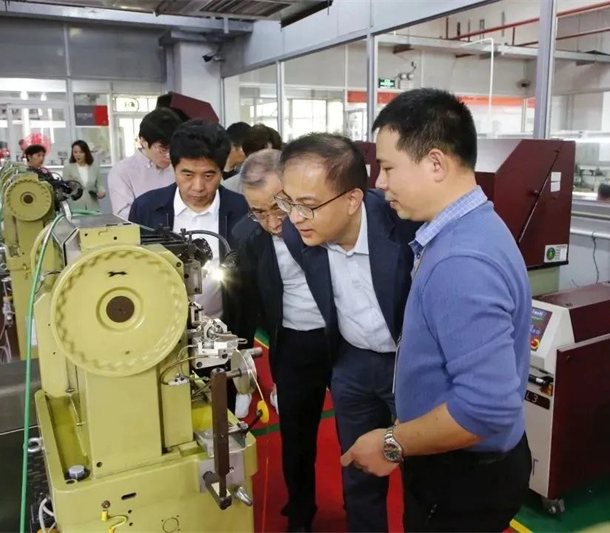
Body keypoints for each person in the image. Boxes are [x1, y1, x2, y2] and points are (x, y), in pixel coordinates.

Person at [340, 88, 533, 533]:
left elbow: (485, 409)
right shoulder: (474, 228)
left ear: (435, 164)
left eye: (388, 167)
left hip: (461, 479)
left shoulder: (460, 261)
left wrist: (390, 443)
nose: (380, 183)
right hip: (467, 464)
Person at [276, 133, 419, 533]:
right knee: (357, 467)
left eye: (308, 205)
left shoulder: (403, 226)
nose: (295, 217)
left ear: (353, 199)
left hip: (408, 365)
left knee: (422, 471)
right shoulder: (298, 233)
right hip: (351, 363)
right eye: (288, 202)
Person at [232, 149, 329, 533]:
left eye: (278, 208)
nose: (272, 222)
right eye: (259, 212)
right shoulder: (248, 236)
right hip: (292, 344)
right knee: (296, 436)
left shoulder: (326, 220)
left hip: (345, 340)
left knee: (357, 433)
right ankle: (301, 512)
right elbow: (244, 300)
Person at [128, 119, 248, 410]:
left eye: (209, 175)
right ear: (173, 167)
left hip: (221, 336)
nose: (198, 186)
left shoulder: (241, 210)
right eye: (187, 174)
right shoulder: (147, 209)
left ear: (223, 170)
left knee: (220, 411)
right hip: (161, 337)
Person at [108, 107, 182, 218]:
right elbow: (123, 215)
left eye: (173, 149)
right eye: (163, 149)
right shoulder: (122, 171)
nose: (169, 156)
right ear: (143, 142)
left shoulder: (179, 167)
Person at [223, 124, 284, 194]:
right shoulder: (228, 188)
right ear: (247, 155)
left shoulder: (287, 185)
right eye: (258, 158)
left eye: (269, 156)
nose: (264, 162)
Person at [63, 140, 103, 211]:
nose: (78, 155)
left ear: (86, 153)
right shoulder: (68, 168)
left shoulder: (95, 168)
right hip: (75, 207)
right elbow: (65, 189)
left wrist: (101, 192)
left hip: (93, 207)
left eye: (81, 152)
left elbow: (100, 186)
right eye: (75, 152)